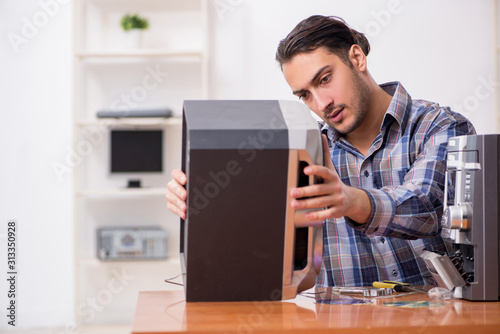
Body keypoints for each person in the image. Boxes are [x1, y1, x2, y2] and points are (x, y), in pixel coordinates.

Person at [167, 15, 476, 287]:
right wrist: (206, 208)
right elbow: (293, 271)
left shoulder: (440, 127)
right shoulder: (303, 154)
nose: (321, 104)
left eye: (324, 79)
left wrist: (351, 200)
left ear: (356, 58)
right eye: (305, 95)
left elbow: (429, 208)